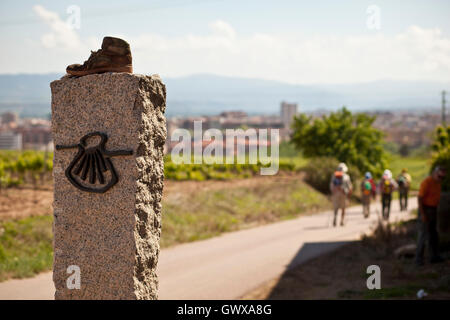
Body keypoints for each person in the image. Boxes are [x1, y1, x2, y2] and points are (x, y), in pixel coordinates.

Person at [415, 166, 447, 266]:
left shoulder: (438, 183)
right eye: (439, 176)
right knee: (423, 235)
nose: (441, 179)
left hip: (433, 210)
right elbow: (420, 198)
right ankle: (418, 259)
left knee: (433, 234)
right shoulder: (427, 182)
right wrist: (423, 214)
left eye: (443, 178)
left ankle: (434, 256)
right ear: (434, 173)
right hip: (425, 209)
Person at [330, 162, 353, 226]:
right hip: (343, 193)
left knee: (336, 207)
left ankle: (335, 218)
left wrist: (333, 191)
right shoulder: (346, 176)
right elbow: (350, 186)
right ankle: (342, 221)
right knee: (343, 208)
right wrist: (349, 193)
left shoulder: (334, 176)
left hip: (336, 193)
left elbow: (331, 185)